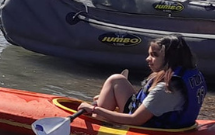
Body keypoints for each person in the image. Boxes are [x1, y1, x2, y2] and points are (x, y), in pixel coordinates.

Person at [77, 34, 207, 128]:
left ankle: (98, 124)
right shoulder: (189, 74)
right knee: (117, 80)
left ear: (170, 58)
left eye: (154, 55)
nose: (147, 59)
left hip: (147, 124)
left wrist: (94, 109)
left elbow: (135, 120)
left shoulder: (166, 89)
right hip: (169, 118)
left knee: (113, 81)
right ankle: (106, 101)